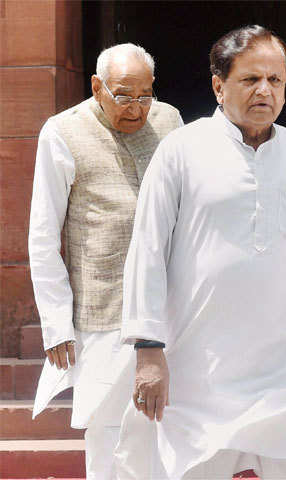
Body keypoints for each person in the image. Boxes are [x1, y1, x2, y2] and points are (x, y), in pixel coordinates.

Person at [114, 25, 286, 479]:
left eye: (275, 80)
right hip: (201, 368)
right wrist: (147, 347)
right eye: (250, 79)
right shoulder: (181, 150)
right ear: (219, 86)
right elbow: (148, 249)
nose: (265, 90)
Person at [28, 43, 183, 480]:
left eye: (145, 96)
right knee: (111, 436)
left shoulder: (170, 121)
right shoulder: (62, 132)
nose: (136, 109)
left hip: (169, 306)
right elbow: (43, 235)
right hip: (102, 310)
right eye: (123, 95)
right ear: (97, 87)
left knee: (170, 431)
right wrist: (56, 321)